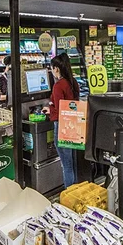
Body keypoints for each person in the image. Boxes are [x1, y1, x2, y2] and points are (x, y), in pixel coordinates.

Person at [43, 56, 80, 188]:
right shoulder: (73, 82)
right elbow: (73, 104)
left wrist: (50, 108)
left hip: (62, 126)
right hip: (73, 125)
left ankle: (68, 192)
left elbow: (60, 109)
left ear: (56, 68)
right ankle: (75, 189)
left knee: (66, 165)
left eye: (52, 68)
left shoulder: (58, 86)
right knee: (72, 161)